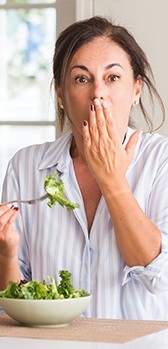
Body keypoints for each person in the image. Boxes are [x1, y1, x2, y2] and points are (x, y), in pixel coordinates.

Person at [0, 16, 168, 320]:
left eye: (113, 78)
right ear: (61, 95)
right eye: (81, 78)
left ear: (136, 90)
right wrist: (6, 252)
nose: (97, 94)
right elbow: (13, 300)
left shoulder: (162, 160)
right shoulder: (25, 166)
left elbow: (159, 278)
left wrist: (113, 180)